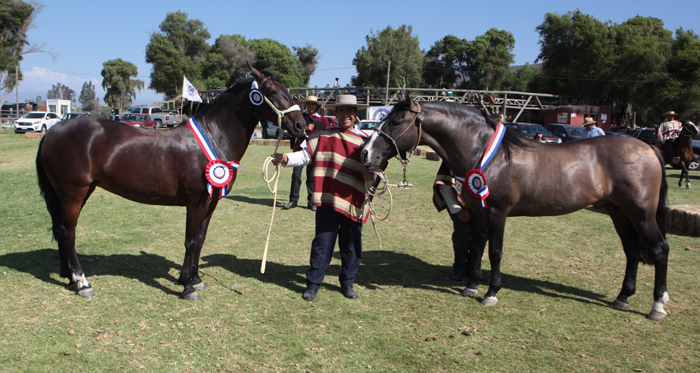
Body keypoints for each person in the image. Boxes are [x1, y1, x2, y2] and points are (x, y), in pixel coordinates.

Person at [272, 95, 374, 301]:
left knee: (351, 243)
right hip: (327, 198)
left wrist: (372, 174)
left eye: (349, 111)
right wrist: (285, 158)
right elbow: (304, 155)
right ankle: (313, 284)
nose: (345, 115)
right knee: (322, 242)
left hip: (353, 199)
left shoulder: (366, 141)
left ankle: (348, 283)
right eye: (341, 111)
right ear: (335, 114)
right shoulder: (323, 136)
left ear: (355, 114)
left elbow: (376, 168)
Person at [283, 95, 330, 211]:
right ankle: (293, 201)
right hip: (300, 151)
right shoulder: (300, 117)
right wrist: (305, 130)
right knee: (296, 176)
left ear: (316, 106)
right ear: (306, 105)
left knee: (312, 177)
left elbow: (328, 134)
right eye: (308, 104)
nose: (310, 106)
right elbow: (293, 132)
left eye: (313, 104)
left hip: (315, 153)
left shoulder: (323, 120)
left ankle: (312, 202)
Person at [432, 162, 471, 281]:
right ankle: (459, 267)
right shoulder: (450, 158)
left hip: (478, 208)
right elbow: (444, 185)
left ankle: (473, 267)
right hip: (457, 205)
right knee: (463, 231)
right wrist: (458, 211)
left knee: (483, 233)